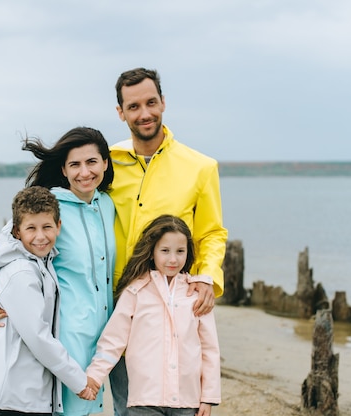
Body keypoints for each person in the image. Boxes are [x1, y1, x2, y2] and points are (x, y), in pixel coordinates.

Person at [107, 68, 228, 416]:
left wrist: (207, 277)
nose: (144, 113)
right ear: (121, 112)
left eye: (151, 102)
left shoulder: (201, 167)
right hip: (113, 302)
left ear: (163, 103)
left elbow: (212, 233)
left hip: (171, 311)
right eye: (133, 106)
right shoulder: (105, 164)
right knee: (125, 405)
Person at [0, 127, 117, 415]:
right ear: (63, 170)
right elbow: (5, 258)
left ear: (105, 163)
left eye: (91, 162)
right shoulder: (47, 208)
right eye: (75, 165)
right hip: (63, 339)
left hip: (103, 338)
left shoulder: (109, 205)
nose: (84, 172)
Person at [0, 186, 99, 416]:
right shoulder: (21, 273)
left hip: (21, 396)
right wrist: (78, 381)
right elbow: (39, 338)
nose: (40, 236)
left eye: (47, 227)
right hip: (8, 399)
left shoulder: (41, 263)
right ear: (16, 232)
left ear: (59, 226)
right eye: (31, 228)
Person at [84, 215, 221, 416]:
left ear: (188, 253)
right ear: (152, 252)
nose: (173, 259)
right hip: (144, 399)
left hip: (187, 400)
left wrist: (208, 398)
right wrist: (95, 375)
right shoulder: (135, 292)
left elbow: (210, 351)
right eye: (165, 251)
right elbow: (114, 339)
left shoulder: (196, 295)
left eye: (180, 251)